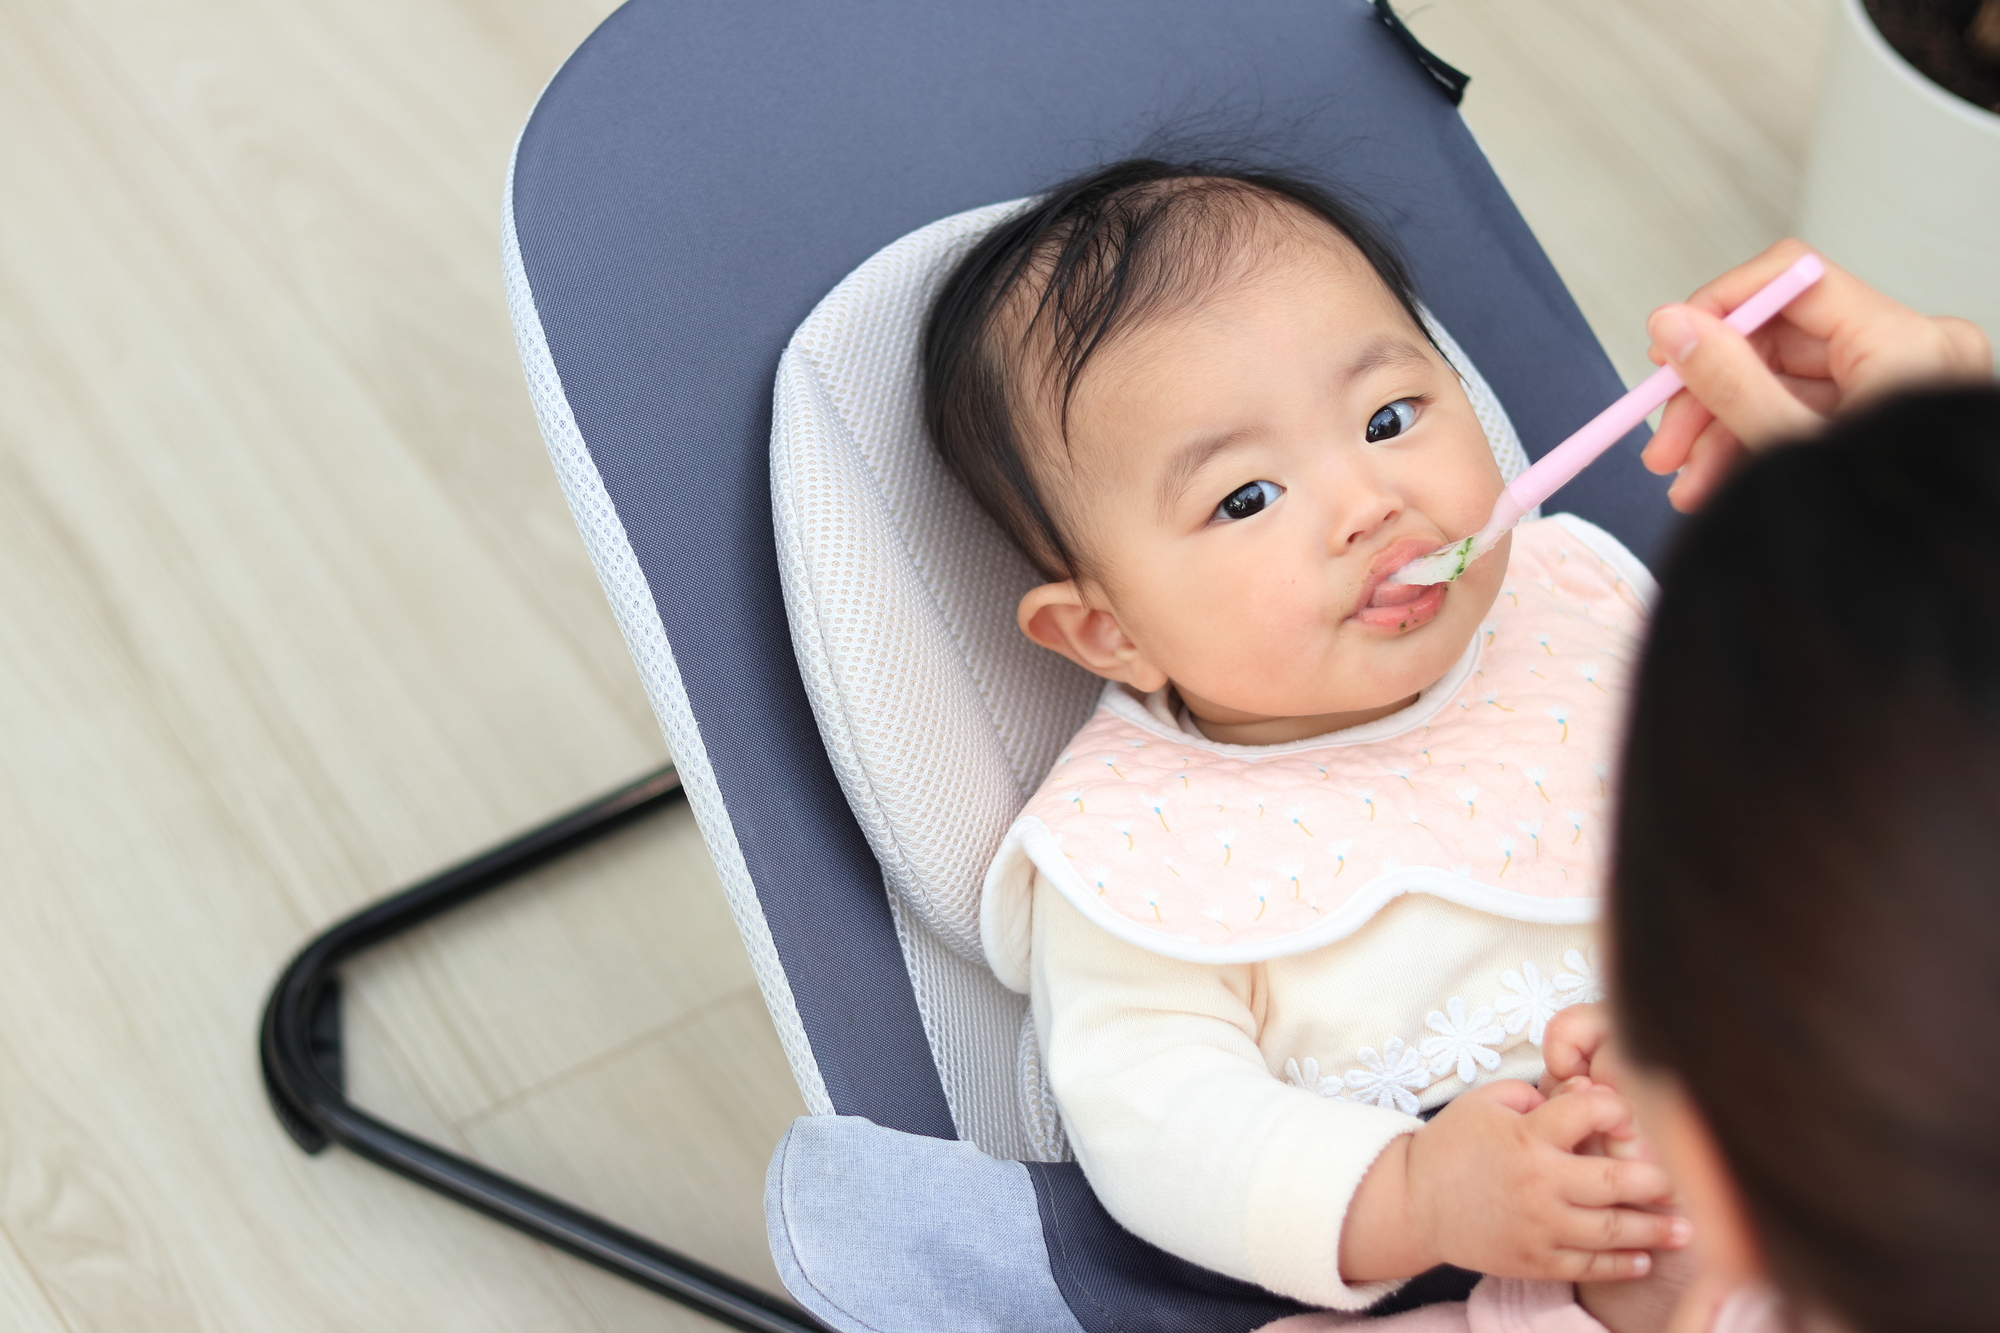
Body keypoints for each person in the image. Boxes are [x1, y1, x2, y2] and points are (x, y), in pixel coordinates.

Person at [923, 157, 1682, 1315]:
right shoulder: (1143, 850)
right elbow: (1162, 1122)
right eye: (1246, 497)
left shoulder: (1576, 605)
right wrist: (1412, 1192)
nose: (1368, 502)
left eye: (1388, 419)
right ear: (1105, 629)